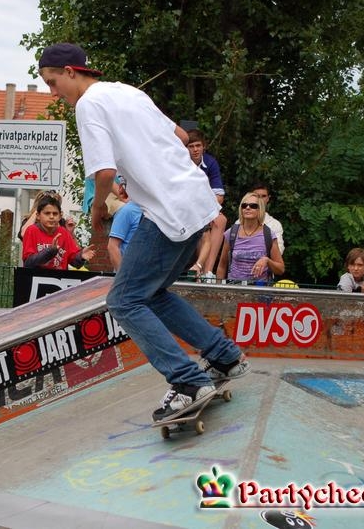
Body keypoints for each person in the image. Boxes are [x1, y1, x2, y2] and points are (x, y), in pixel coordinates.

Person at [39, 42, 250, 421]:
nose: (54, 94)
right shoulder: (127, 91)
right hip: (197, 204)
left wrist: (99, 206)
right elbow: (181, 137)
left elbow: (103, 171)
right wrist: (137, 177)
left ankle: (188, 381)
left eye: (53, 83)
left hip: (167, 214)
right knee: (150, 294)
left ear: (70, 72)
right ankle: (224, 356)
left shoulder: (88, 105)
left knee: (123, 301)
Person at [216, 193, 285, 284]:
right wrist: (218, 288)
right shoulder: (232, 233)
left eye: (253, 206)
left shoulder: (268, 234)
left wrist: (267, 260)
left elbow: (280, 269)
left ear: (260, 210)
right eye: (244, 205)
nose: (248, 208)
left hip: (260, 289)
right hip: (235, 288)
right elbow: (222, 266)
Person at [187, 129, 227, 281]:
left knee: (220, 220)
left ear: (204, 146)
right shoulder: (179, 162)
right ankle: (199, 270)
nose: (195, 149)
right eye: (191, 146)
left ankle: (207, 273)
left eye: (198, 145)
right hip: (183, 209)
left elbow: (219, 195)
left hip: (204, 208)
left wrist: (208, 211)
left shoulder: (210, 162)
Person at [22, 194, 95, 269]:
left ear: (60, 216)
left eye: (55, 214)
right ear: (38, 215)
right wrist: (50, 251)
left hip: (59, 276)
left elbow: (74, 261)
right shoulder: (31, 230)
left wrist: (81, 256)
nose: (51, 217)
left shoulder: (63, 232)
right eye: (47, 213)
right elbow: (28, 262)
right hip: (35, 276)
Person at [107, 182, 142, 271]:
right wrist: (122, 275)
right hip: (129, 275)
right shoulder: (127, 210)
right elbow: (112, 247)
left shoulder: (153, 212)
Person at [251, 181, 285, 254]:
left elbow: (279, 251)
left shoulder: (275, 224)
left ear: (268, 198)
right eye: (256, 196)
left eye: (263, 196)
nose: (260, 199)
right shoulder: (239, 223)